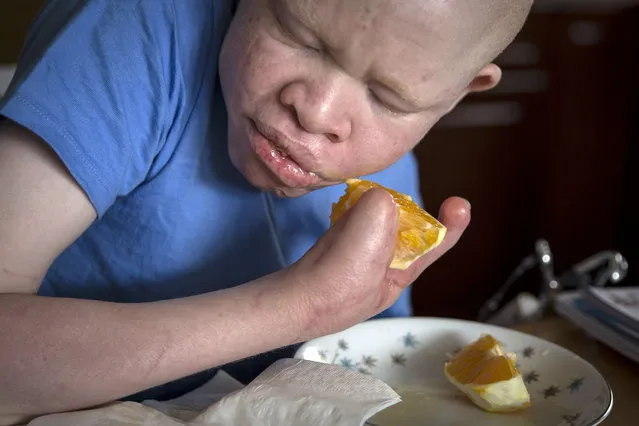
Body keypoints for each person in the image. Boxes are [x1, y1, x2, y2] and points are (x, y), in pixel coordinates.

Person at [0, 0, 533, 422]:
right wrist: (300, 307)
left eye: (388, 98)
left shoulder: (386, 170)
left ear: (457, 94)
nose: (316, 111)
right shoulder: (133, 26)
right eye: (301, 36)